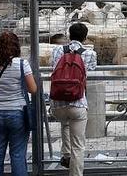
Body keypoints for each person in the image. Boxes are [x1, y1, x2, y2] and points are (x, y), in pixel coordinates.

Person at [0, 32, 37, 176]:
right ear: (16, 47)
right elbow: (33, 89)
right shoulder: (22, 64)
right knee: (18, 154)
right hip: (17, 112)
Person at [50, 22, 97, 175]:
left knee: (65, 123)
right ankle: (75, 172)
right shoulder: (90, 53)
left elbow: (53, 67)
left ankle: (66, 155)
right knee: (78, 144)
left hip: (57, 103)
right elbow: (90, 72)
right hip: (77, 101)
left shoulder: (57, 50)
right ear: (85, 37)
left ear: (69, 35)